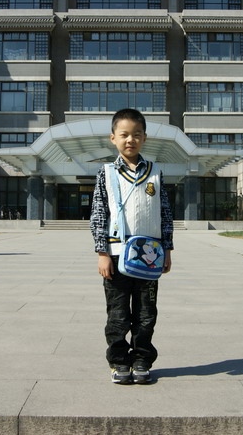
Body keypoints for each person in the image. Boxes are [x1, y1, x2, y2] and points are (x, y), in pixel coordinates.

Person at [90, 108, 173, 385]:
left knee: (146, 313)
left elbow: (164, 213)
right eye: (124, 135)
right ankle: (118, 361)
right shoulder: (107, 173)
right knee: (117, 314)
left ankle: (141, 359)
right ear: (112, 138)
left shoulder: (155, 172)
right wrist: (102, 253)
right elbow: (99, 214)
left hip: (149, 257)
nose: (130, 140)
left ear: (145, 138)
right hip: (115, 256)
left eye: (136, 135)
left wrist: (167, 250)